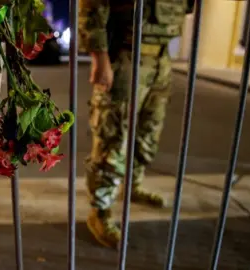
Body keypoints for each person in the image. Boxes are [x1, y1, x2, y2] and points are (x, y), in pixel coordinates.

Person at [78, 0, 195, 248]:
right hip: (126, 55)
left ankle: (132, 185)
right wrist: (100, 57)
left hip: (162, 57)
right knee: (113, 136)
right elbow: (92, 6)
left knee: (148, 131)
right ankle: (99, 211)